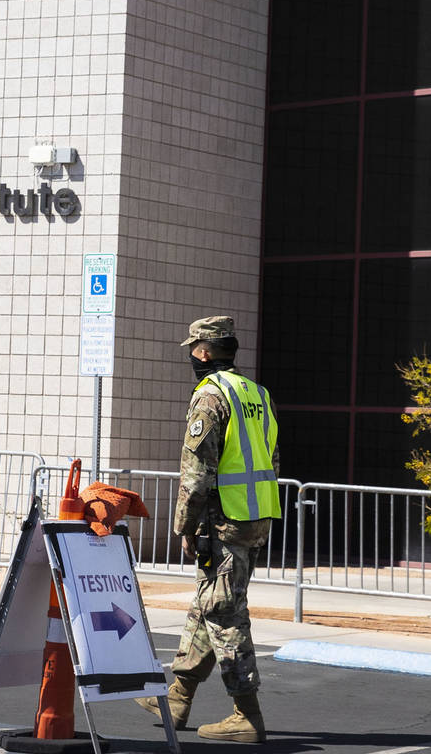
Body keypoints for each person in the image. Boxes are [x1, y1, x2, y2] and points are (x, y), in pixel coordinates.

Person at [138, 315, 280, 743]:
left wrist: (185, 523)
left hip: (226, 519)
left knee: (224, 612)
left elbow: (197, 472)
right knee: (210, 602)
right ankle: (179, 697)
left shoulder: (211, 397)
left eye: (192, 350)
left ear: (202, 352)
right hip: (255, 517)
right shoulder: (257, 393)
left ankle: (246, 714)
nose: (191, 357)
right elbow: (272, 456)